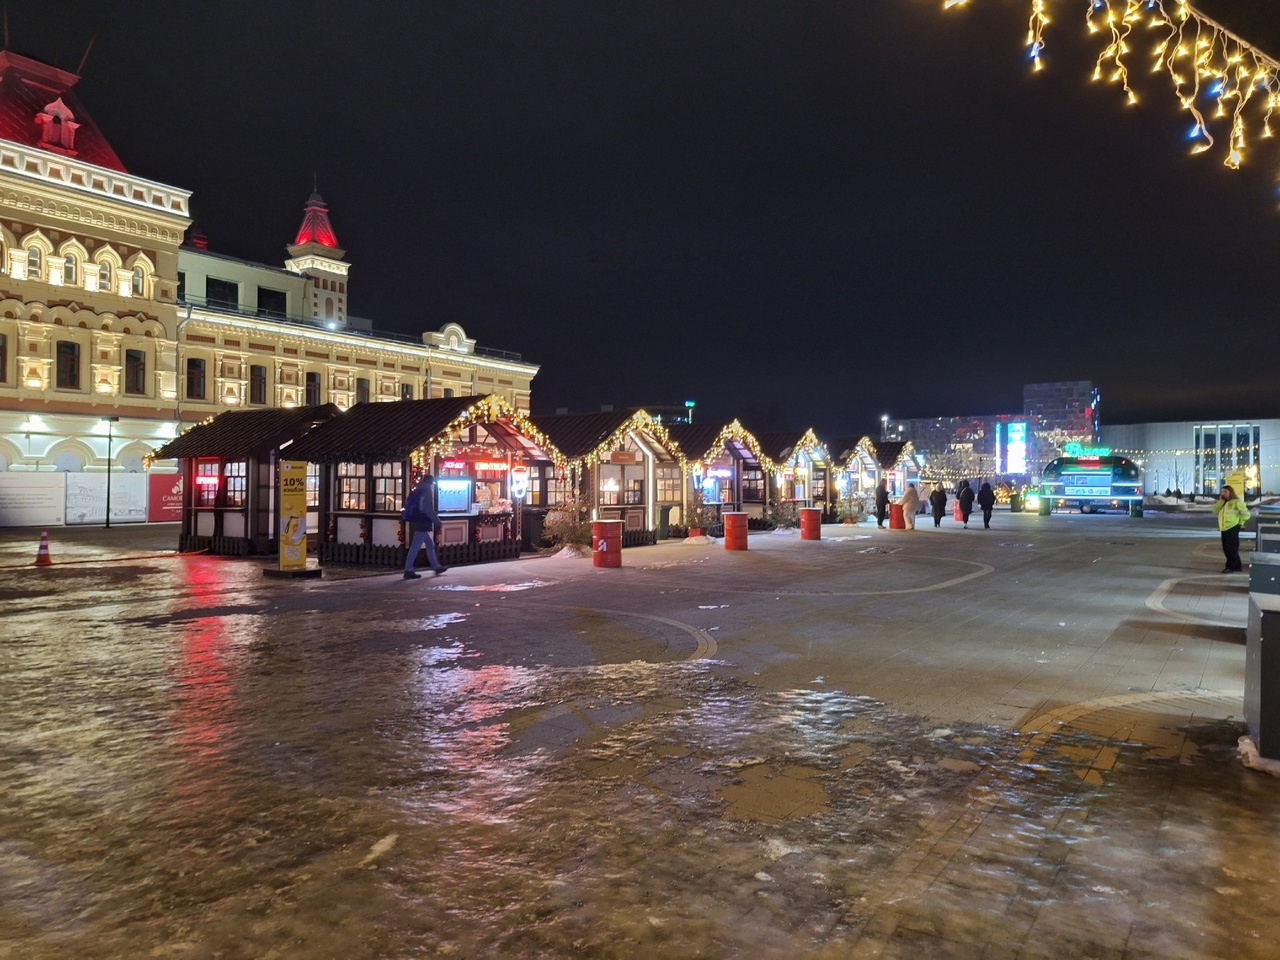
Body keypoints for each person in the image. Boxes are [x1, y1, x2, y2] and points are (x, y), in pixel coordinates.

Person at [402, 473, 448, 579]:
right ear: (431, 482)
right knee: (415, 546)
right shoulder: (426, 492)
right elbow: (428, 509)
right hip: (423, 521)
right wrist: (437, 521)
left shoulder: (418, 489)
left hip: (418, 519)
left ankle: (436, 566)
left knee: (430, 544)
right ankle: (408, 569)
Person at [1213, 484, 1250, 573]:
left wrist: (1239, 523)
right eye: (1222, 491)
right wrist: (1220, 502)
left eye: (1225, 491)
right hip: (1224, 528)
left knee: (1231, 548)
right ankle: (1237, 565)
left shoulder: (1237, 502)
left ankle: (1230, 567)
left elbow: (1246, 514)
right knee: (1227, 548)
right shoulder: (1223, 502)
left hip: (1232, 527)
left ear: (1230, 492)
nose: (1223, 493)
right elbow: (1215, 511)